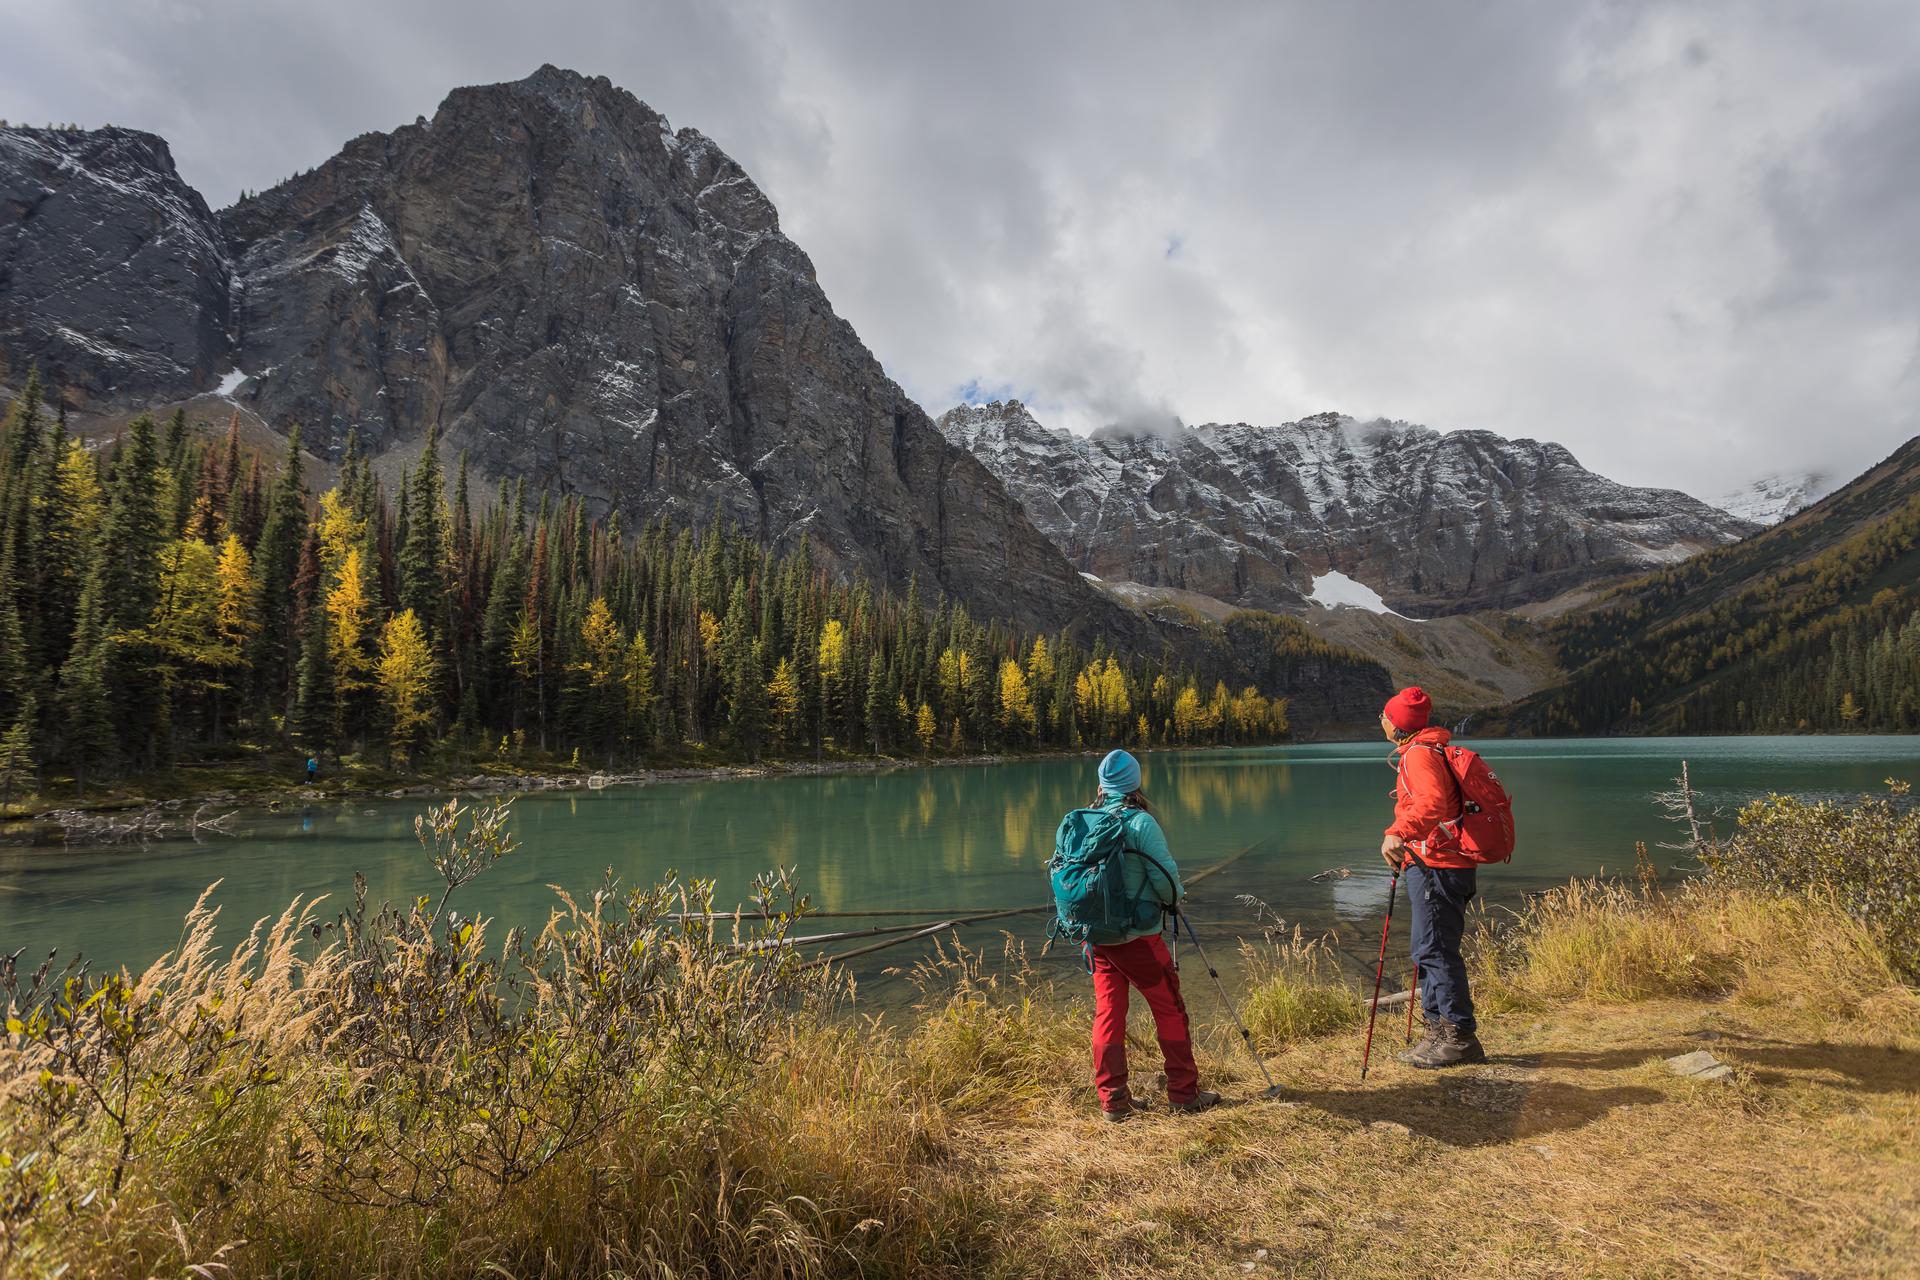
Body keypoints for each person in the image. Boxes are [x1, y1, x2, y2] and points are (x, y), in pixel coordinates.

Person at [1081, 749, 1221, 1121]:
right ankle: (1183, 1093)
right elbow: (1164, 879)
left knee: (1108, 1013)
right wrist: (1176, 898)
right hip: (1137, 938)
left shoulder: (1087, 821)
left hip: (1096, 936)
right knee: (1169, 1008)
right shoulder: (1140, 823)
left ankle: (1113, 1101)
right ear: (1135, 784)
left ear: (1102, 785)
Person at [1378, 687, 1486, 1068]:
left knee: (1436, 951)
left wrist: (1398, 832)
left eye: (1386, 715)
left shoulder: (1420, 754)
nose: (1382, 720)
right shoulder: (1427, 749)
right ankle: (1436, 1033)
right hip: (1436, 863)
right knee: (1427, 950)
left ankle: (1459, 1036)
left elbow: (1432, 804)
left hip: (1438, 867)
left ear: (1397, 723)